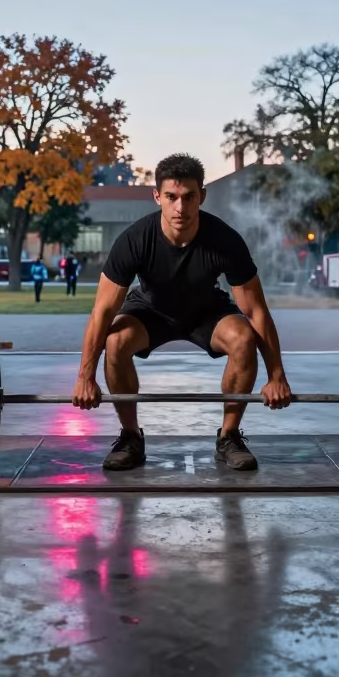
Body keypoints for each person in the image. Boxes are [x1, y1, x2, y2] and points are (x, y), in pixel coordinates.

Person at [71, 152, 293, 472]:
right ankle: (131, 437)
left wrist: (277, 376)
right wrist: (85, 378)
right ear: (157, 196)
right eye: (172, 197)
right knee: (116, 340)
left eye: (189, 197)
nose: (181, 207)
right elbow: (101, 313)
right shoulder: (134, 241)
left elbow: (257, 311)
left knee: (243, 338)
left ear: (202, 196)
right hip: (150, 310)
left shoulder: (224, 240)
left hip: (206, 310)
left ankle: (229, 437)